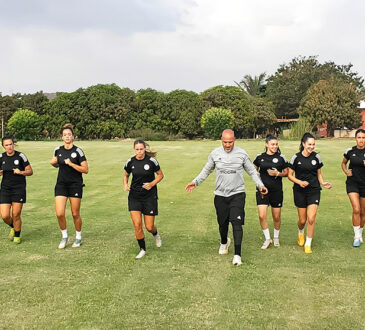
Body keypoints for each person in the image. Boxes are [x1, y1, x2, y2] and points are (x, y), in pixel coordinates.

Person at [185, 129, 268, 266]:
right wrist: (195, 182)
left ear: (234, 140)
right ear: (221, 140)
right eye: (225, 142)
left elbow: (252, 172)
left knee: (237, 223)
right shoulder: (215, 154)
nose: (227, 145)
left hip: (237, 194)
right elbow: (206, 170)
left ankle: (237, 255)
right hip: (220, 195)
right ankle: (224, 242)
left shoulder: (241, 154)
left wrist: (260, 185)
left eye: (230, 142)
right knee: (222, 224)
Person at [288, 132, 332, 254]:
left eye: (313, 144)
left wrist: (323, 183)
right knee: (302, 220)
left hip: (314, 190)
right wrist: (299, 182)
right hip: (299, 191)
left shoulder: (316, 157)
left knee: (311, 218)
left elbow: (319, 174)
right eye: (309, 144)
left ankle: (308, 243)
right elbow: (289, 175)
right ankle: (300, 232)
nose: (311, 147)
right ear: (303, 144)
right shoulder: (296, 157)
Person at [123, 140, 164, 259]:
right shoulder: (130, 161)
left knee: (149, 227)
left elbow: (161, 175)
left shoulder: (151, 161)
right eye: (137, 149)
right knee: (137, 224)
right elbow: (126, 175)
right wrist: (125, 185)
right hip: (134, 197)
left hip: (149, 197)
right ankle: (142, 249)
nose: (139, 151)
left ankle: (156, 235)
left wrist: (151, 184)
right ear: (134, 149)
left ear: (145, 149)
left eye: (141, 149)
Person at [50, 124, 88, 249]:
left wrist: (71, 164)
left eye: (69, 135)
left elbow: (85, 169)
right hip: (61, 184)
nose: (67, 137)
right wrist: (53, 163)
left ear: (73, 137)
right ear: (62, 137)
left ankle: (78, 237)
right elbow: (56, 163)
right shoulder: (58, 150)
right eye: (65, 135)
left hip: (75, 185)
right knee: (60, 213)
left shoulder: (77, 151)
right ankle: (64, 236)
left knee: (75, 213)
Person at [253, 135, 288, 249]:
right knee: (262, 215)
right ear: (266, 144)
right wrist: (259, 186)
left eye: (276, 144)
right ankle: (268, 239)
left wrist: (277, 173)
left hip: (277, 191)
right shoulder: (260, 157)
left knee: (276, 217)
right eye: (272, 144)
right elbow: (254, 172)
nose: (275, 146)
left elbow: (287, 173)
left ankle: (276, 237)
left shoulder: (281, 157)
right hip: (262, 190)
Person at [0, 136, 33, 244]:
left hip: (19, 188)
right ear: (3, 146)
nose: (10, 147)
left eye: (11, 144)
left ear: (13, 144)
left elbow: (30, 171)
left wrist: (21, 172)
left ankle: (17, 236)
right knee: (5, 216)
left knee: (16, 214)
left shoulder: (20, 156)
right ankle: (14, 227)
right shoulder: (1, 157)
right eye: (7, 145)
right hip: (5, 188)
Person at [341, 128, 365, 247]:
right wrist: (346, 171)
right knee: (356, 208)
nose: (361, 140)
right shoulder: (350, 151)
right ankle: (356, 236)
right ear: (355, 138)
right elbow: (343, 163)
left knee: (362, 211)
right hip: (352, 183)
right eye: (359, 137)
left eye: (363, 138)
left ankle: (360, 233)